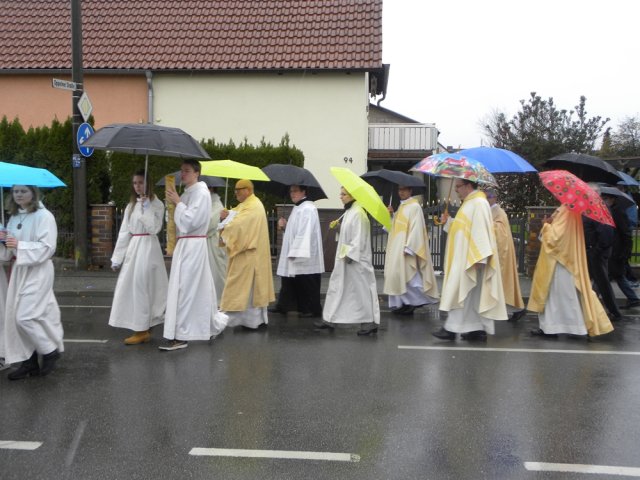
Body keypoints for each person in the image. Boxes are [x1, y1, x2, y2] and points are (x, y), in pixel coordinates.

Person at [161, 160, 227, 351]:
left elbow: (191, 222)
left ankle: (182, 334)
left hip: (194, 245)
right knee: (192, 288)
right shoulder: (187, 192)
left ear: (197, 173)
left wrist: (178, 204)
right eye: (182, 171)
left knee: (187, 288)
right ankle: (206, 324)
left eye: (187, 171)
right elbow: (179, 221)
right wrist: (174, 207)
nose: (183, 174)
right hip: (185, 245)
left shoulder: (201, 192)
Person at [0, 185, 63, 379]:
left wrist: (20, 245)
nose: (18, 195)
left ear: (33, 193)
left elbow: (48, 247)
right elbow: (7, 254)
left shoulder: (45, 217)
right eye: (15, 191)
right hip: (20, 270)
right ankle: (29, 362)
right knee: (16, 317)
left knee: (25, 316)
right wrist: (4, 242)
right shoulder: (14, 217)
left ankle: (49, 350)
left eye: (23, 191)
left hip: (38, 271)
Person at [432, 179, 507, 342]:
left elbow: (480, 229)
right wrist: (449, 222)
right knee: (470, 295)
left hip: (471, 258)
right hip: (465, 257)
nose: (456, 191)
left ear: (467, 186)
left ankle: (451, 329)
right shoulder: (470, 203)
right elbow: (463, 229)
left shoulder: (479, 203)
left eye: (458, 187)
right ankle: (476, 329)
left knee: (462, 292)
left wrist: (480, 257)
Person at [528, 205, 613, 338]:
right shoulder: (569, 210)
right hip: (565, 261)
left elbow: (556, 238)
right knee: (564, 296)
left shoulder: (567, 211)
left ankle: (556, 328)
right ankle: (559, 327)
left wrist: (545, 225)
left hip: (560, 262)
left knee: (556, 295)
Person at [109, 170, 168, 344]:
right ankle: (141, 326)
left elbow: (153, 228)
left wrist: (147, 208)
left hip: (148, 249)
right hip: (134, 249)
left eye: (141, 183)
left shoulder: (157, 205)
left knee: (144, 287)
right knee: (133, 288)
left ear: (148, 184)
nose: (137, 186)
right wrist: (117, 258)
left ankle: (143, 329)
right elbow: (124, 232)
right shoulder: (131, 206)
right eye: (135, 183)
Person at [320, 186, 380, 336]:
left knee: (361, 291)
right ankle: (329, 318)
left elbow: (358, 239)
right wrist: (339, 227)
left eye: (343, 194)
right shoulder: (350, 212)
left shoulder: (358, 214)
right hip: (346, 260)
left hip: (356, 262)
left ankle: (369, 322)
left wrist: (350, 255)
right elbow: (348, 235)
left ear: (353, 196)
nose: (340, 196)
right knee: (338, 288)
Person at [219, 179, 275, 329]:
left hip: (250, 255)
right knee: (247, 290)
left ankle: (249, 322)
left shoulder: (254, 206)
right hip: (247, 254)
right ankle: (250, 321)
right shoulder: (247, 204)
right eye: (235, 189)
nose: (236, 192)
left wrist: (226, 225)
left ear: (249, 190)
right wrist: (227, 214)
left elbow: (240, 225)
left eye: (239, 189)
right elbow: (236, 214)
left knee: (246, 290)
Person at [270, 185, 324, 318]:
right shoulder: (298, 207)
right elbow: (294, 230)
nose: (292, 194)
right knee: (289, 280)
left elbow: (305, 232)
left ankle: (311, 309)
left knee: (307, 281)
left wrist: (296, 250)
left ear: (303, 191)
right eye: (290, 191)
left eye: (295, 191)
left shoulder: (308, 208)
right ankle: (284, 305)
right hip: (295, 249)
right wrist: (285, 226)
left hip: (305, 253)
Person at [383, 185, 438, 315]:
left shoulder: (415, 207)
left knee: (409, 277)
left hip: (406, 248)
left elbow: (417, 228)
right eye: (399, 190)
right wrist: (391, 215)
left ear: (410, 191)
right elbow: (394, 227)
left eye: (404, 189)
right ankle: (403, 303)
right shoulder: (402, 207)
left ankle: (419, 300)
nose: (401, 192)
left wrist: (410, 248)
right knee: (397, 276)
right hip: (396, 247)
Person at [484, 189, 526, 321]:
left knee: (502, 282)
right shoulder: (489, 211)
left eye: (490, 197)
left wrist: (488, 225)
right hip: (494, 250)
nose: (488, 199)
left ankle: (517, 309)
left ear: (495, 198)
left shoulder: (499, 212)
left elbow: (501, 231)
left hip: (502, 252)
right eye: (486, 197)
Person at [602, 193, 640, 309]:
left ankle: (632, 299)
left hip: (617, 251)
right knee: (612, 276)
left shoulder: (618, 212)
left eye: (606, 198)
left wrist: (625, 252)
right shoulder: (612, 211)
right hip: (614, 250)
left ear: (613, 199)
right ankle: (632, 299)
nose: (604, 200)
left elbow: (625, 233)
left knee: (611, 276)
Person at [583, 215, 622, 321]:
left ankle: (615, 312)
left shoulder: (596, 214)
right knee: (598, 282)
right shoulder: (588, 214)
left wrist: (596, 251)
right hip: (592, 252)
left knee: (603, 283)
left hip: (597, 254)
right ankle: (590, 309)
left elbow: (607, 235)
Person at [206, 186, 227, 300]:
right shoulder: (207, 203)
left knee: (216, 271)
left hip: (213, 243)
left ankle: (220, 300)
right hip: (206, 243)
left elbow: (208, 225)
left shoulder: (217, 205)